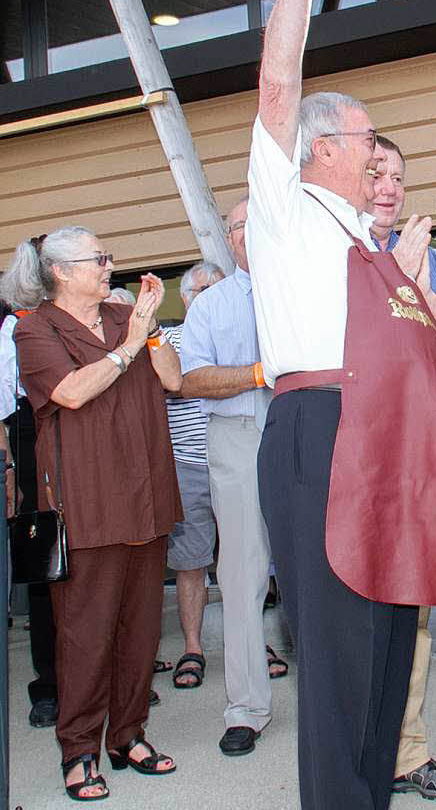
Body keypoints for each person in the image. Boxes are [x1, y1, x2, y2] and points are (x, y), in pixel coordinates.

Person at [246, 0, 436, 810]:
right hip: (323, 436)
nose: (375, 154)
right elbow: (279, 79)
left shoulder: (376, 244)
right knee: (345, 672)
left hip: (394, 453)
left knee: (391, 664)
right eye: (364, 140)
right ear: (320, 148)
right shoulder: (286, 207)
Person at [4, 227, 182, 802]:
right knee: (85, 633)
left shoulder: (122, 312)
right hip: (87, 501)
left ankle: (127, 735)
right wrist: (129, 343)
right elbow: (74, 393)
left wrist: (150, 331)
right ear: (60, 271)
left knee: (141, 629)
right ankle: (78, 747)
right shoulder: (35, 328)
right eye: (97, 259)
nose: (110, 265)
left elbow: (173, 378)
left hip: (147, 491)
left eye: (107, 255)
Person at [370, 135, 436, 802]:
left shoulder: (421, 258)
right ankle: (364, 755)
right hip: (351, 456)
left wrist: (419, 285)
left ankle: (408, 752)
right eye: (377, 173)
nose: (390, 187)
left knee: (415, 617)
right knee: (357, 620)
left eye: (400, 178)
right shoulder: (321, 254)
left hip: (417, 455)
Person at [180, 199, 279, 757]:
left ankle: (333, 698)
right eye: (240, 226)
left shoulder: (304, 286)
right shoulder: (210, 305)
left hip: (307, 430)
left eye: (258, 222)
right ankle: (246, 708)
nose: (250, 234)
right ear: (229, 238)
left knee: (323, 564)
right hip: (239, 431)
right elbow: (193, 378)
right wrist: (262, 371)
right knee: (241, 574)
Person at [1, 245, 59, 729]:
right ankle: (48, 685)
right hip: (32, 436)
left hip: (81, 434)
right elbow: (5, 405)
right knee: (47, 569)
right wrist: (15, 478)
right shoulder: (15, 325)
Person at [164, 261, 224, 690]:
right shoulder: (168, 340)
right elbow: (169, 385)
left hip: (238, 462)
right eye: (202, 288)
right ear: (185, 298)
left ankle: (254, 643)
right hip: (186, 465)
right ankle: (192, 647)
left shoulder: (240, 331)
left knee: (246, 562)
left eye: (218, 288)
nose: (210, 295)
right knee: (191, 563)